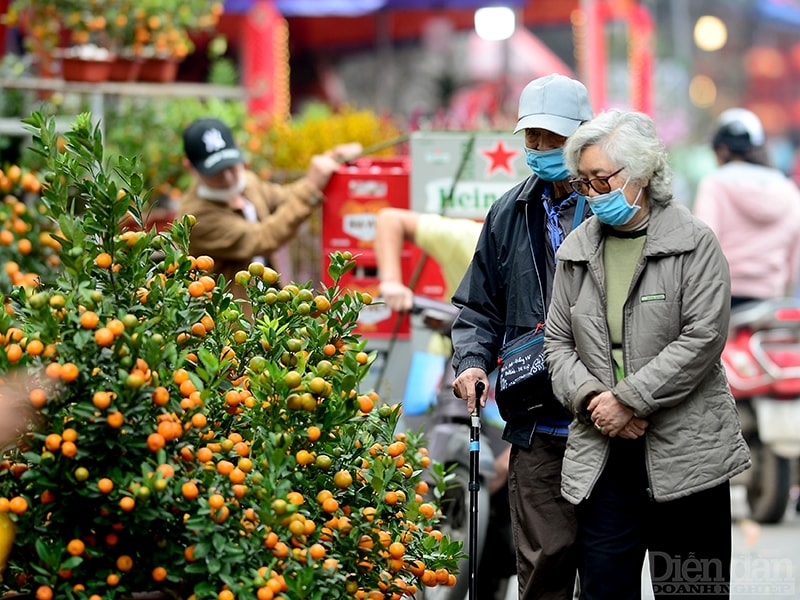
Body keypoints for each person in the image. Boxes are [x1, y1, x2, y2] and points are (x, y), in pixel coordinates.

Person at [544, 108, 751, 600]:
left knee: (690, 591)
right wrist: (597, 400)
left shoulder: (693, 243)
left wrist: (630, 400)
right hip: (605, 454)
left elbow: (703, 338)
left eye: (602, 180)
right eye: (584, 182)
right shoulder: (576, 250)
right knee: (603, 588)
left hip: (688, 456)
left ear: (641, 173)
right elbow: (556, 342)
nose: (592, 194)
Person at [450, 73, 593, 600]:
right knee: (543, 568)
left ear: (583, 135)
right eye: (531, 137)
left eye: (552, 138)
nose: (539, 148)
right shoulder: (509, 211)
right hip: (536, 425)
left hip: (606, 420)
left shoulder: (609, 207)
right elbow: (477, 307)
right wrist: (470, 361)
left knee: (604, 571)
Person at [374, 207, 515, 599]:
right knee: (411, 450)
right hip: (448, 365)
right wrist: (391, 282)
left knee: (508, 494)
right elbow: (390, 219)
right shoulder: (466, 239)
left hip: (514, 369)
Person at [177, 117, 361, 316]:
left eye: (230, 165)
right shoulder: (195, 217)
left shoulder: (246, 182)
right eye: (216, 172)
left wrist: (331, 160)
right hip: (232, 323)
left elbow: (285, 196)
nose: (228, 177)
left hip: (266, 308)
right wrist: (311, 189)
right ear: (190, 167)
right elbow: (262, 237)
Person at [693, 107, 800, 308]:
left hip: (722, 301)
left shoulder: (714, 184)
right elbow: (794, 262)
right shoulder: (789, 191)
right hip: (770, 304)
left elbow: (704, 244)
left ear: (722, 150)